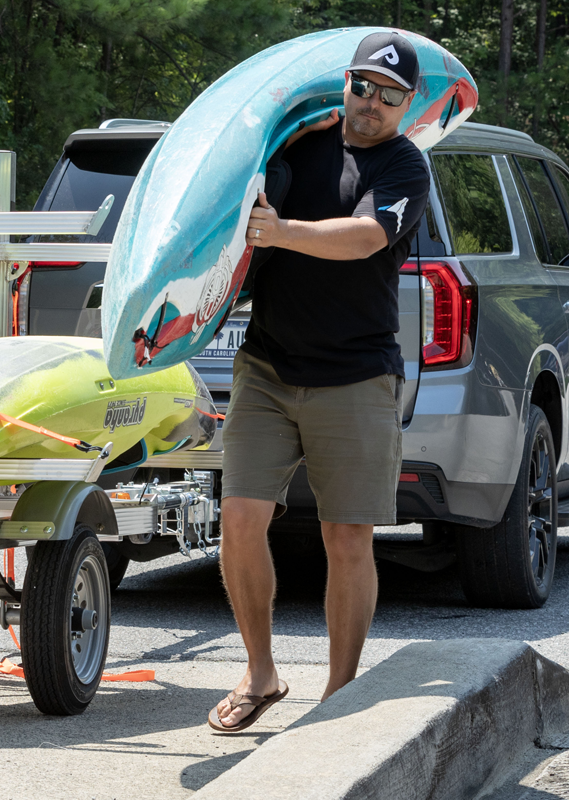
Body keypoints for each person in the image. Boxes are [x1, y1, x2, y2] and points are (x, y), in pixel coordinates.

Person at [208, 31, 431, 733]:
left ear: (407, 103)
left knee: (347, 537)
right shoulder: (297, 148)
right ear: (345, 82)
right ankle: (261, 674)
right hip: (268, 368)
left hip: (356, 377)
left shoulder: (405, 167)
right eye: (362, 86)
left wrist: (281, 233)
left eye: (388, 94)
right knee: (240, 522)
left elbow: (366, 237)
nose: (371, 103)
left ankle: (339, 696)